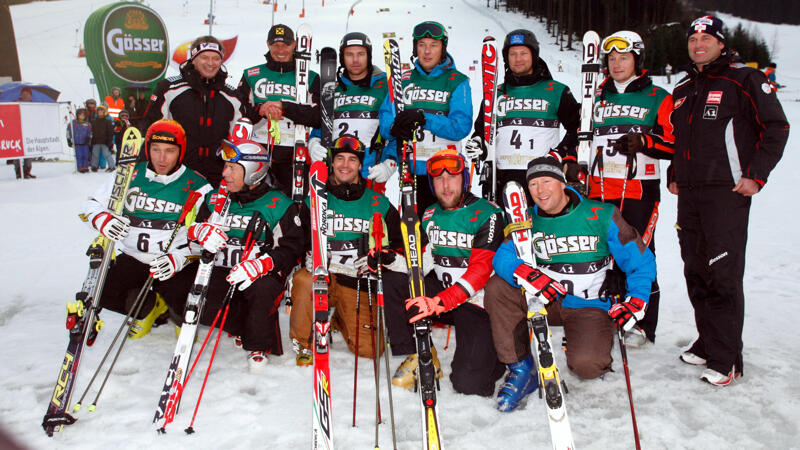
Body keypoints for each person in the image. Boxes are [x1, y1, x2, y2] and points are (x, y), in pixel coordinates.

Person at [669, 15, 789, 386]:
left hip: (726, 192)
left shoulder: (745, 79)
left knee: (722, 273)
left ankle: (727, 359)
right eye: (693, 39)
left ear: (722, 43)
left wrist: (756, 174)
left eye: (707, 38)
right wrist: (675, 174)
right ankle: (709, 342)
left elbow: (777, 127)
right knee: (695, 271)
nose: (699, 44)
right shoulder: (685, 87)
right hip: (690, 194)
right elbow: (681, 140)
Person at [484, 156, 656, 410]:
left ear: (562, 183)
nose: (540, 190)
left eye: (547, 181)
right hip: (546, 301)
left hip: (589, 305)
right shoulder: (527, 220)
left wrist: (637, 299)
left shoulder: (600, 214)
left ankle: (586, 341)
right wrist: (526, 273)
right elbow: (503, 257)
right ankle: (520, 368)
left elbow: (640, 260)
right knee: (498, 287)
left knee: (587, 366)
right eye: (533, 185)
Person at [385, 149, 505, 397]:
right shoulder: (429, 214)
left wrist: (439, 302)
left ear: (465, 179)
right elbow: (421, 262)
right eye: (439, 179)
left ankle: (505, 355)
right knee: (395, 278)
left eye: (453, 177)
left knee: (470, 385)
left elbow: (480, 272)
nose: (446, 185)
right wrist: (390, 260)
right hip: (442, 298)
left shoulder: (489, 214)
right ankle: (420, 354)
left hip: (477, 304)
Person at [78, 120, 213, 339]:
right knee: (103, 293)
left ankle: (178, 313)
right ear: (147, 148)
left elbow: (207, 238)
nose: (161, 158)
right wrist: (103, 219)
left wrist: (179, 258)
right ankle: (148, 307)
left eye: (170, 151)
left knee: (187, 296)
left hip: (173, 261)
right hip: (134, 257)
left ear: (181, 151)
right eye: (155, 150)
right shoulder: (128, 175)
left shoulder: (198, 185)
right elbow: (88, 206)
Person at [181, 137, 304, 372]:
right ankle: (238, 324)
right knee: (195, 296)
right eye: (225, 166)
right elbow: (192, 241)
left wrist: (261, 264)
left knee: (261, 290)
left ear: (253, 172)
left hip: (259, 272)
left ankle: (258, 344)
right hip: (221, 268)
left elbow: (293, 248)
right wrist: (197, 231)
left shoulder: (278, 204)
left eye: (232, 168)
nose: (224, 173)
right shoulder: (215, 199)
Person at [585, 30, 675, 346]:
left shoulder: (658, 97)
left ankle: (643, 324)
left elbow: (676, 143)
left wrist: (645, 142)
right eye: (611, 59)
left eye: (624, 58)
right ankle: (613, 312)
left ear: (637, 60)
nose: (617, 64)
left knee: (639, 254)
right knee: (604, 254)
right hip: (598, 189)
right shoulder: (596, 97)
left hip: (638, 188)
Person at [290, 135, 406, 365]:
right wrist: (306, 256)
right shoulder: (315, 198)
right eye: (339, 158)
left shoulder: (379, 203)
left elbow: (398, 245)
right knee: (303, 280)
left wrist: (385, 258)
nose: (345, 165)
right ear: (331, 163)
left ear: (360, 165)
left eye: (352, 159)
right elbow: (297, 239)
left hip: (357, 281)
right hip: (323, 276)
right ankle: (302, 341)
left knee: (370, 350)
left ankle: (339, 320)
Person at [464, 29, 580, 202]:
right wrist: (479, 143)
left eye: (524, 53)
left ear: (534, 55)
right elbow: (482, 130)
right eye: (513, 54)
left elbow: (578, 127)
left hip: (542, 176)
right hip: (501, 177)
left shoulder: (556, 90)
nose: (518, 59)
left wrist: (561, 153)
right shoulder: (494, 93)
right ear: (506, 58)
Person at [379, 21, 473, 212]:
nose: (427, 51)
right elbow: (385, 120)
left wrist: (424, 119)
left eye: (433, 45)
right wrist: (394, 128)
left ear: (443, 48)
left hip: (447, 172)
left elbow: (461, 127)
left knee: (446, 229)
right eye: (422, 45)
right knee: (414, 233)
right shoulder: (403, 81)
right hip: (413, 172)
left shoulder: (457, 81)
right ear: (415, 48)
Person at [142, 35, 247, 187]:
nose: (210, 63)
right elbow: (151, 130)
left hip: (217, 176)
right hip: (177, 174)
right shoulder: (169, 89)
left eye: (215, 58)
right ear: (193, 59)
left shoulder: (233, 96)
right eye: (204, 57)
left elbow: (238, 140)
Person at [308, 32, 397, 194]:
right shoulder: (332, 87)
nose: (355, 60)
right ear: (342, 58)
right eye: (349, 54)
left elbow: (396, 130)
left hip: (370, 173)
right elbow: (320, 126)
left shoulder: (384, 86)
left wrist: (390, 162)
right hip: (336, 173)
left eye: (361, 54)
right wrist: (313, 142)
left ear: (368, 56)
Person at [238, 24, 321, 196]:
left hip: (294, 151)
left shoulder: (311, 78)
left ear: (295, 45)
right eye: (276, 45)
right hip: (257, 148)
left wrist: (284, 107)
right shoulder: (251, 74)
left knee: (292, 206)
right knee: (255, 201)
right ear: (268, 44)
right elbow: (238, 113)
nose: (280, 50)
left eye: (286, 45)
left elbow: (319, 118)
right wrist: (260, 110)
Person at [12, 87, 35, 179]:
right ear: (21, 94)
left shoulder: (34, 105)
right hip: (16, 131)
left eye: (27, 93)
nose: (25, 95)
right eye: (24, 93)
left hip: (29, 131)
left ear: (30, 95)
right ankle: (18, 172)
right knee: (17, 152)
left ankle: (26, 171)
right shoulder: (14, 103)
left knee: (29, 152)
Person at [90, 105, 115, 172]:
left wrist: (110, 141)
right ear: (97, 112)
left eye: (102, 111)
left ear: (104, 112)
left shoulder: (107, 121)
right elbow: (92, 132)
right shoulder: (94, 121)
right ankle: (94, 166)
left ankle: (112, 166)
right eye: (99, 111)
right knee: (95, 154)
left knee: (107, 154)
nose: (100, 112)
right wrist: (92, 141)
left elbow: (110, 132)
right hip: (96, 141)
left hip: (105, 141)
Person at [67, 108, 92, 173]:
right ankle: (80, 167)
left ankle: (85, 166)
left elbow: (90, 133)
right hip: (77, 143)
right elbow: (68, 132)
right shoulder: (73, 123)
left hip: (85, 143)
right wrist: (69, 140)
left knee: (85, 155)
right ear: (77, 115)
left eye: (83, 115)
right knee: (79, 155)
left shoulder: (88, 124)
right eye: (80, 115)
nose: (81, 116)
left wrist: (89, 138)